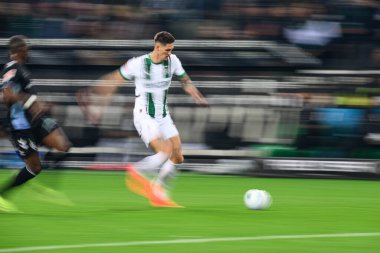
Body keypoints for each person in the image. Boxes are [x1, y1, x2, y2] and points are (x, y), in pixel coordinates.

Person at [77, 31, 208, 207]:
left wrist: (192, 90)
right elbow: (114, 80)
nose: (169, 53)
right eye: (167, 50)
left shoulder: (173, 61)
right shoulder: (137, 64)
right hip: (143, 114)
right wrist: (95, 93)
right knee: (164, 151)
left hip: (163, 114)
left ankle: (158, 193)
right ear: (157, 47)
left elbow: (185, 79)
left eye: (171, 50)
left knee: (177, 156)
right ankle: (137, 171)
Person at [0, 35, 72, 212]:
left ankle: (44, 187)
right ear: (20, 50)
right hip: (20, 126)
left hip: (36, 121)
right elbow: (7, 96)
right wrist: (30, 103)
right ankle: (3, 195)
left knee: (63, 146)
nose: (28, 52)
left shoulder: (21, 69)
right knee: (34, 168)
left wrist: (37, 104)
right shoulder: (12, 69)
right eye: (27, 49)